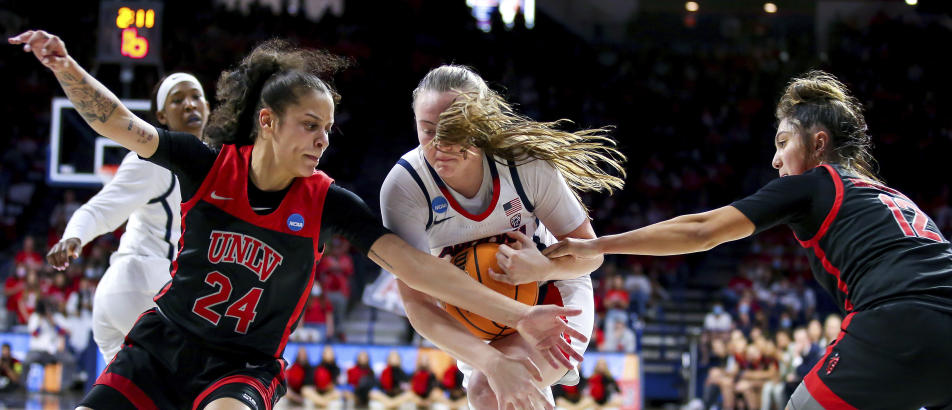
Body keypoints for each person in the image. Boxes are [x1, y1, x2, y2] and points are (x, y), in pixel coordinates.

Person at [12, 30, 581, 410]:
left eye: (328, 128)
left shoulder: (330, 201)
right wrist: (65, 66)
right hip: (162, 341)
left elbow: (417, 271)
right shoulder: (204, 166)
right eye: (310, 124)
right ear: (267, 121)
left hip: (242, 365)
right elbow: (118, 124)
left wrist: (521, 315)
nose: (323, 138)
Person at [546, 70, 952, 409]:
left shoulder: (817, 182)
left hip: (897, 322)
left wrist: (596, 245)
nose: (775, 158)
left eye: (783, 142)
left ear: (819, 143)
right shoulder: (894, 196)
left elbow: (701, 230)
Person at [381, 65, 626, 409]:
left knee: (495, 393)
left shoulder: (525, 164)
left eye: (454, 129)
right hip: (473, 311)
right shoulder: (405, 187)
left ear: (482, 123)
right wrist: (490, 359)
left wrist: (541, 268)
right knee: (489, 390)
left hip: (549, 295)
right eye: (428, 130)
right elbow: (417, 305)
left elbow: (592, 255)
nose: (440, 145)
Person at [45, 71, 209, 362]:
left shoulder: (210, 160)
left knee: (123, 397)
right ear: (161, 115)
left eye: (196, 97)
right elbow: (101, 207)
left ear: (208, 107)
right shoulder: (151, 160)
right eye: (178, 100)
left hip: (122, 295)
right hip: (146, 285)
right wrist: (74, 235)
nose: (190, 105)